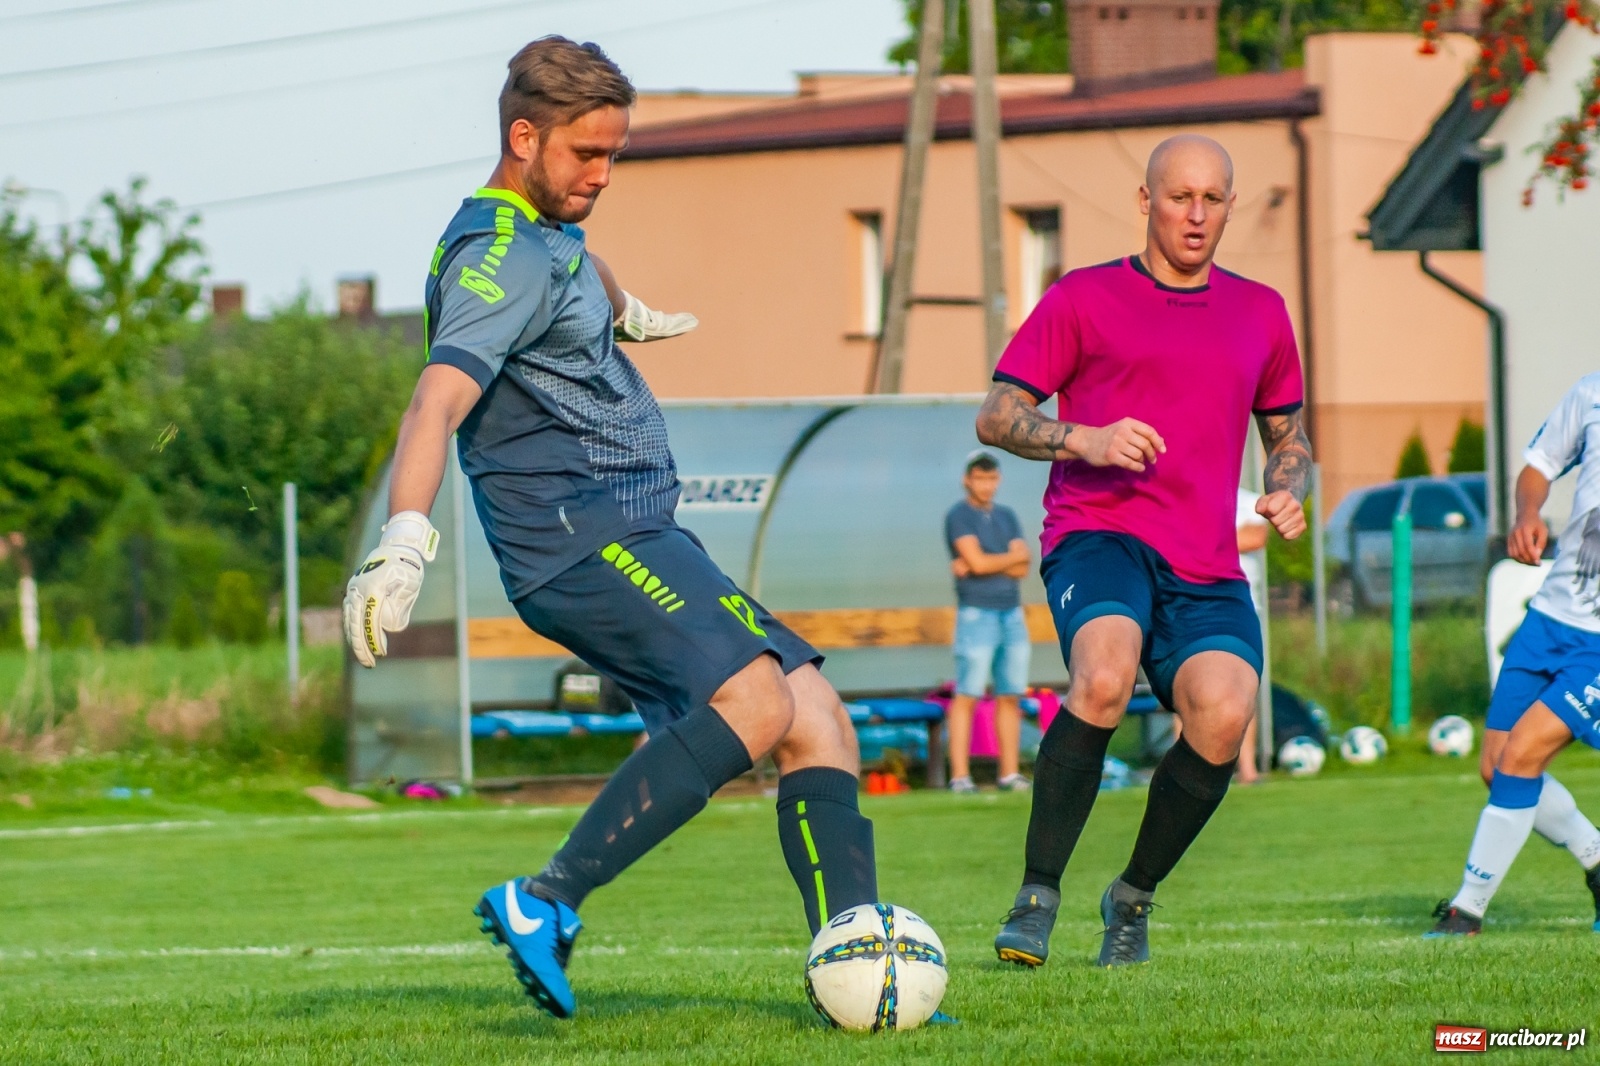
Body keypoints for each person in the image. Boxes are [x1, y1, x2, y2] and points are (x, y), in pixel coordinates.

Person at [342, 37, 879, 1018]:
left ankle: (863, 965)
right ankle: (543, 900)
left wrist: (620, 312)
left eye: (613, 156)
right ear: (522, 137)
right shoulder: (495, 256)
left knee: (818, 720)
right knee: (758, 702)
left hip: (636, 532)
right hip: (579, 539)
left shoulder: (545, 234)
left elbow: (576, 258)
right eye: (585, 155)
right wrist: (403, 538)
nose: (600, 175)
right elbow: (433, 401)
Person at [977, 134, 1310, 969]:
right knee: (1103, 674)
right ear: (1147, 201)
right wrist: (1082, 438)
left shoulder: (1262, 311)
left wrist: (1287, 486)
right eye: (1179, 197)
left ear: (1231, 206)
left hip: (1205, 562)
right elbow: (997, 414)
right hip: (1101, 535)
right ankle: (1036, 895)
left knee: (1227, 713)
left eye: (1212, 199)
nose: (1195, 215)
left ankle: (1130, 898)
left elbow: (1288, 433)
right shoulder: (1084, 299)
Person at [1427, 372, 1600, 936]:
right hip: (1550, 616)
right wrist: (1528, 513)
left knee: (1523, 755)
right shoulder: (1592, 391)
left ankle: (1466, 911)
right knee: (1496, 766)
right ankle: (1597, 860)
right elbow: (1539, 465)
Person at [944, 450, 1033, 793]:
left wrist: (985, 562)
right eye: (980, 478)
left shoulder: (1007, 516)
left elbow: (1023, 566)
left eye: (992, 478)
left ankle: (1009, 774)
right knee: (968, 693)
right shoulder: (959, 516)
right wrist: (1005, 560)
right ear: (968, 479)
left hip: (1012, 614)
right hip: (976, 614)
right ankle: (960, 776)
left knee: (1010, 694)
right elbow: (979, 564)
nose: (986, 485)